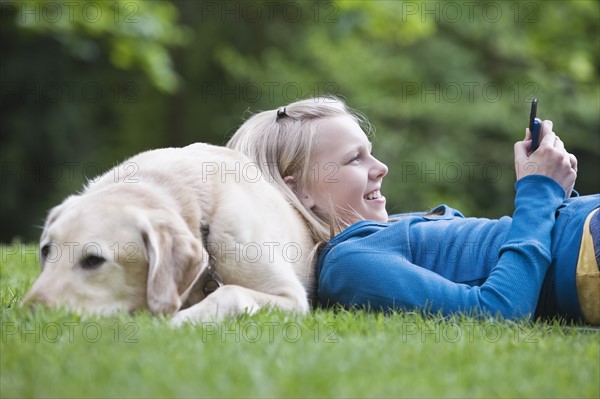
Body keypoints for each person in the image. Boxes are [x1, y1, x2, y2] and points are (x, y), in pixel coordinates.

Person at [226, 96, 600, 325]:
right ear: (300, 189)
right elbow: (496, 313)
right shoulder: (349, 262)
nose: (381, 167)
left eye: (370, 151)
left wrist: (555, 189)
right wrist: (538, 190)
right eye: (355, 159)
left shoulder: (382, 233)